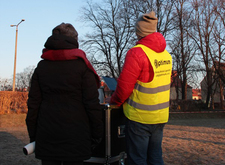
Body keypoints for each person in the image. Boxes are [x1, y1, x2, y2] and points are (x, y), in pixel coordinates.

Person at [26, 23, 104, 165]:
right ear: (74, 40)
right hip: (76, 135)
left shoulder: (41, 67)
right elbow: (92, 104)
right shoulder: (82, 67)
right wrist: (97, 133)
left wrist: (33, 135)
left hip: (47, 134)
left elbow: (33, 104)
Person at [110, 11, 172, 165]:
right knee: (155, 157)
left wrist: (114, 102)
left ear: (140, 31)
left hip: (140, 118)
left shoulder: (136, 53)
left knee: (137, 159)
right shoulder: (166, 55)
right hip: (160, 117)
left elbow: (124, 87)